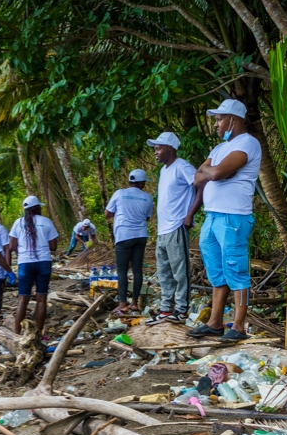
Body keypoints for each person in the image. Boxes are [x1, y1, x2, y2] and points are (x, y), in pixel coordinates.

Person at [187, 99, 262, 341]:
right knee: (217, 272)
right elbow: (197, 179)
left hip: (234, 216)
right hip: (212, 215)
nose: (216, 124)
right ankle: (215, 323)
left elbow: (216, 173)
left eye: (219, 119)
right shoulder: (219, 149)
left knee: (236, 271)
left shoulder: (248, 143)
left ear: (233, 119)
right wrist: (211, 172)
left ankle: (239, 326)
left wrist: (211, 171)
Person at [147, 131, 197, 323]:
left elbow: (200, 184)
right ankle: (166, 309)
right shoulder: (164, 170)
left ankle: (182, 310)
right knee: (164, 272)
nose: (155, 152)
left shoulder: (182, 166)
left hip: (177, 226)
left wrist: (190, 214)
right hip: (163, 229)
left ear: (170, 148)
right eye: (154, 149)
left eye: (158, 148)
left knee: (180, 271)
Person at [105, 169, 154, 315]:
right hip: (140, 235)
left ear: (131, 181)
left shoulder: (119, 193)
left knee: (122, 271)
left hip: (123, 235)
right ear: (141, 183)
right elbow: (147, 217)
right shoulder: (148, 197)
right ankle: (134, 303)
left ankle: (122, 304)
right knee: (137, 269)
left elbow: (107, 214)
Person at [9, 196, 59, 334]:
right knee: (41, 300)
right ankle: (38, 332)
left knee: (22, 300)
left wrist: (25, 250)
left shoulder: (18, 223)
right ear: (37, 208)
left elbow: (12, 246)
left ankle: (17, 334)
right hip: (43, 262)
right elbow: (53, 246)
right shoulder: (46, 222)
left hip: (25, 263)